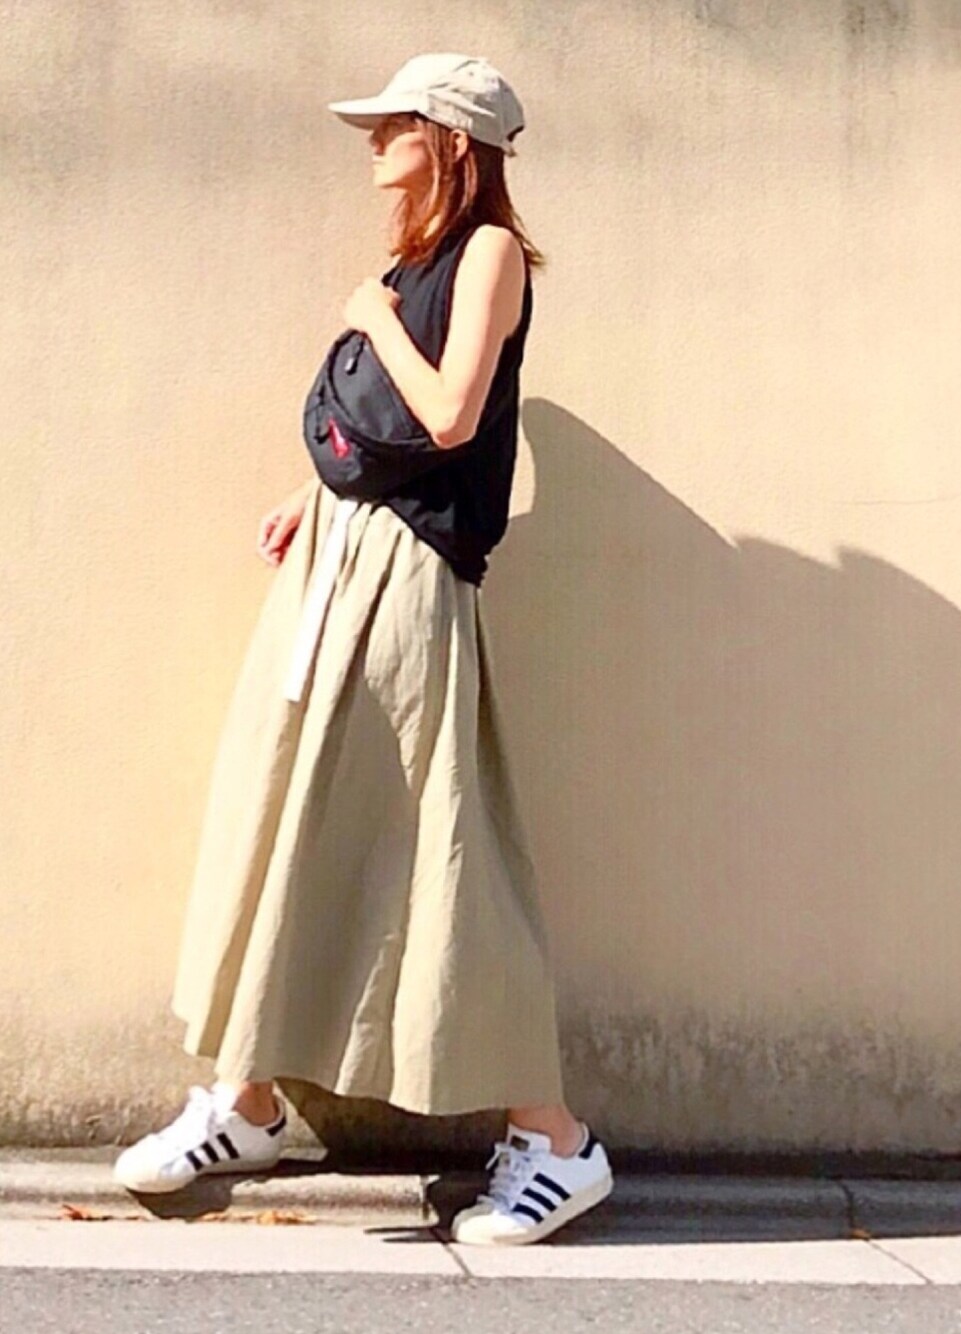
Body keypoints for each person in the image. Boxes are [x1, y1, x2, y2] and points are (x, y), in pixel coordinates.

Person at [112, 52, 613, 1246]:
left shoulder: (485, 255)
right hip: (340, 567)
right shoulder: (414, 262)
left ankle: (555, 1139)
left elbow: (449, 414)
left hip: (408, 581)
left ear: (450, 139)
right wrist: (314, 491)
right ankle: (248, 1098)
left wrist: (373, 318)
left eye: (393, 123)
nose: (373, 140)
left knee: (438, 842)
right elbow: (390, 434)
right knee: (286, 809)